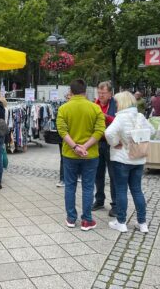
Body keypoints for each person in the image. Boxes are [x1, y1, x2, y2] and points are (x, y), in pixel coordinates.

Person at [56, 78, 105, 230]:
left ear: (70, 91)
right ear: (85, 91)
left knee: (70, 186)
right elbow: (99, 131)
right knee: (88, 187)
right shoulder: (95, 108)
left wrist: (75, 146)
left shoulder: (64, 109)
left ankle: (71, 218)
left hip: (70, 154)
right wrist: (85, 146)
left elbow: (62, 130)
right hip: (90, 155)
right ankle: (87, 220)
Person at [103, 90, 151, 234]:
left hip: (122, 159)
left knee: (121, 190)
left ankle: (121, 222)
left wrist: (115, 143)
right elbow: (151, 131)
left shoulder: (121, 118)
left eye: (116, 102)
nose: (115, 104)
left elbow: (109, 133)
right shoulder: (141, 116)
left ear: (122, 102)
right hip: (138, 159)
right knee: (137, 190)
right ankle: (142, 223)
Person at [94, 81, 118, 215]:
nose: (101, 95)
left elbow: (119, 121)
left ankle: (115, 204)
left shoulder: (116, 104)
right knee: (98, 174)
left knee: (114, 175)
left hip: (112, 144)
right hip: (98, 143)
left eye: (103, 93)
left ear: (110, 94)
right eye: (99, 92)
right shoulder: (94, 104)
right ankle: (99, 200)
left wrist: (106, 117)